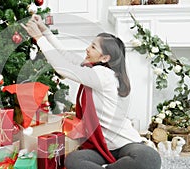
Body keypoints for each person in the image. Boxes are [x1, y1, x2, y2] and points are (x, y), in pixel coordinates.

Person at [22, 14, 161, 169]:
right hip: (102, 148)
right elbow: (65, 55)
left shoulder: (103, 75)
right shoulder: (92, 68)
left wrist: (39, 37)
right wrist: (45, 30)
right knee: (73, 160)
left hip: (125, 144)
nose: (87, 49)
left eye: (93, 47)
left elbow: (62, 67)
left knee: (149, 158)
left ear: (105, 58)